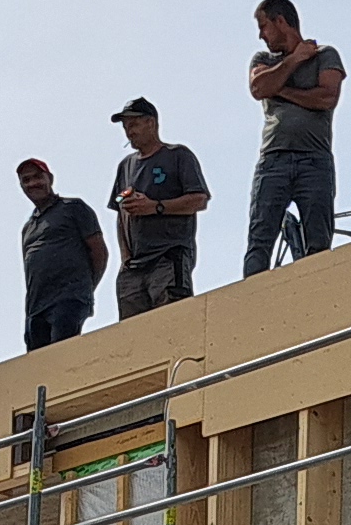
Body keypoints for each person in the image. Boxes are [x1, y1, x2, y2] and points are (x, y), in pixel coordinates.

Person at [242, 0, 343, 274]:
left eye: (263, 26)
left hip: (315, 159)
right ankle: (254, 294)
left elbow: (327, 97)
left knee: (318, 241)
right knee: (260, 239)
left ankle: (317, 291)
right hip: (273, 159)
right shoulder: (263, 60)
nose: (261, 35)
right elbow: (259, 87)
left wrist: (281, 89)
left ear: (280, 21)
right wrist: (295, 59)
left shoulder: (325, 55)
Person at [106, 100, 207, 313]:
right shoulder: (125, 166)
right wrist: (125, 257)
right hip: (133, 268)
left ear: (151, 123)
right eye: (126, 127)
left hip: (168, 257)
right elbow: (120, 212)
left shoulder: (177, 155)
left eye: (134, 125)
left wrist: (155, 206)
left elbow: (199, 200)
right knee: (134, 329)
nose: (129, 132)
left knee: (172, 319)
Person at [16, 159, 105, 349]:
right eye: (26, 180)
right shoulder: (28, 228)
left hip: (68, 298)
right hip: (36, 308)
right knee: (38, 362)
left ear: (50, 178)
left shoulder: (73, 207)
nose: (33, 183)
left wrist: (85, 289)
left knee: (63, 352)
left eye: (38, 177)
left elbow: (99, 252)